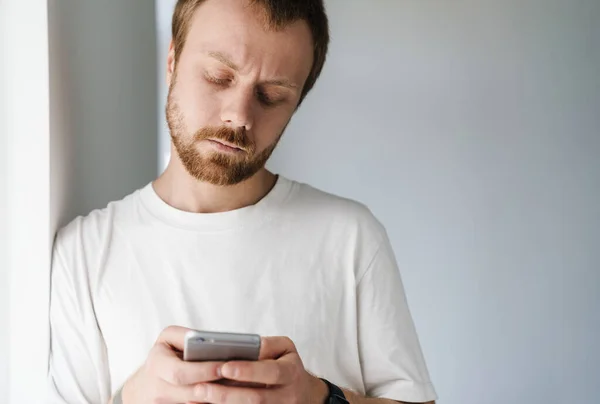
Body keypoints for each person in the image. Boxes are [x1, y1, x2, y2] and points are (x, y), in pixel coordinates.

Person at [47, 0, 438, 403]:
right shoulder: (85, 253)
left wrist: (319, 398)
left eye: (270, 96)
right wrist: (131, 398)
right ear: (172, 61)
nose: (239, 116)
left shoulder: (352, 237)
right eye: (218, 77)